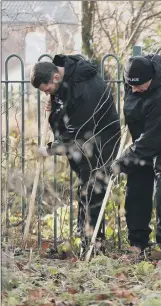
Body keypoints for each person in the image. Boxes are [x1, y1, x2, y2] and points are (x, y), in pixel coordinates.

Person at [30, 55, 121, 256]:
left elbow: (77, 128)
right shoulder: (66, 75)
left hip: (101, 140)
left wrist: (50, 149)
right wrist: (54, 103)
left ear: (55, 77)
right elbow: (66, 111)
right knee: (85, 189)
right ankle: (86, 241)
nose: (48, 93)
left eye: (47, 90)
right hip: (84, 141)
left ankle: (94, 246)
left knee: (93, 190)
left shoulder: (84, 87)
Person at [112, 54, 161, 259]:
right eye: (131, 86)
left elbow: (154, 139)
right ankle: (138, 243)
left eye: (139, 87)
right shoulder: (133, 76)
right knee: (136, 188)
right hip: (142, 138)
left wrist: (125, 160)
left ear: (151, 79)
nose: (134, 90)